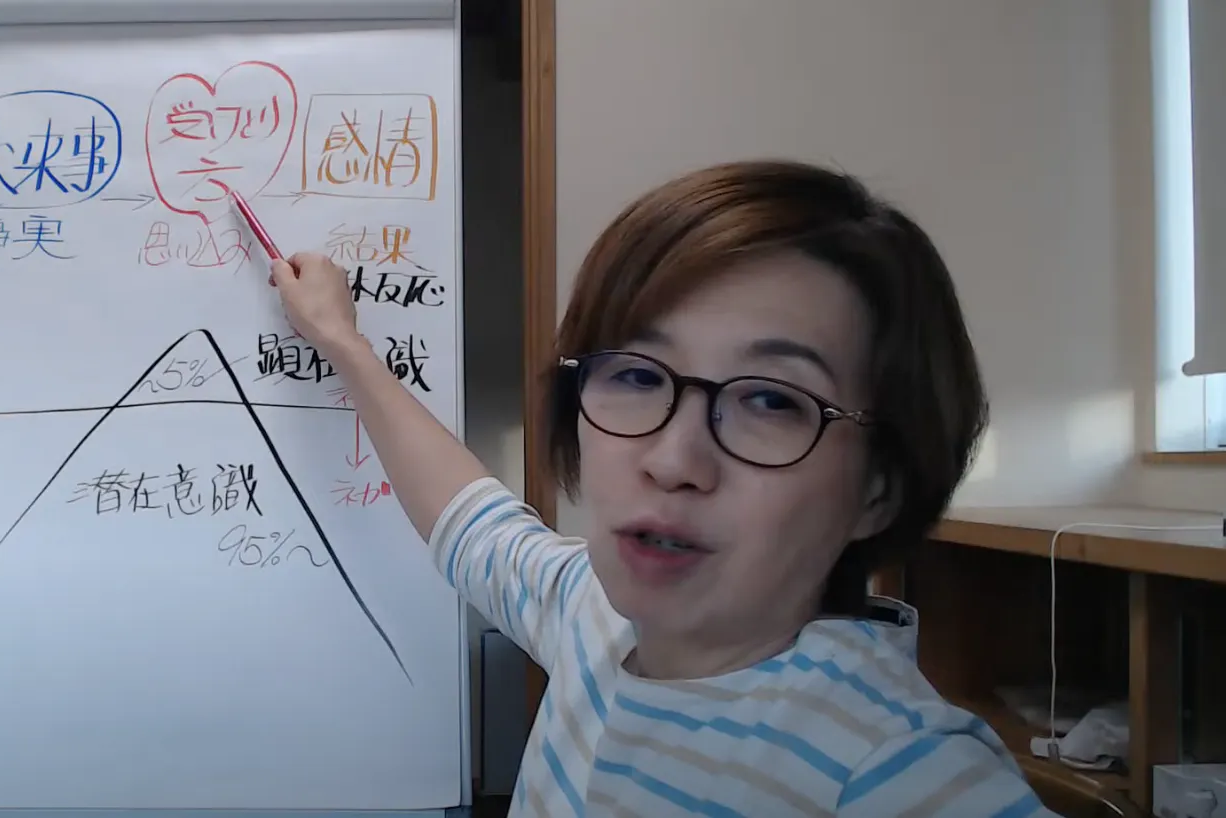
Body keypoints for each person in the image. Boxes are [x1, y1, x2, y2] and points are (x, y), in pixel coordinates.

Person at [269, 159, 1054, 817]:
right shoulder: (593, 614)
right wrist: (341, 341)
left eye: (771, 400)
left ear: (878, 490)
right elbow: (470, 521)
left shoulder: (900, 768)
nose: (673, 459)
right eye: (639, 376)